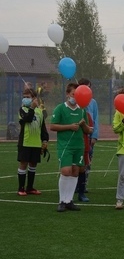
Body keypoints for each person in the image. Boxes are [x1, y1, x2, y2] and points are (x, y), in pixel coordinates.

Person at [50, 83, 93, 212]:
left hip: (78, 146)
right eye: (74, 94)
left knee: (75, 172)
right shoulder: (60, 108)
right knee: (66, 171)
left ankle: (69, 200)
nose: (75, 97)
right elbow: (52, 126)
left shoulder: (82, 110)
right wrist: (69, 126)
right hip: (65, 146)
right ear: (68, 94)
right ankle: (61, 200)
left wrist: (84, 125)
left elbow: (88, 131)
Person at [16, 87, 49, 196]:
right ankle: (21, 188)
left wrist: (44, 140)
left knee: (33, 164)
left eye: (28, 97)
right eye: (24, 97)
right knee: (23, 164)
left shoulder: (39, 112)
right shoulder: (22, 110)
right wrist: (31, 108)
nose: (25, 99)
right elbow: (27, 119)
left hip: (36, 143)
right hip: (25, 143)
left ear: (34, 98)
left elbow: (42, 127)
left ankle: (30, 188)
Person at [78, 78, 99, 193]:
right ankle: (75, 184)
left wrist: (95, 136)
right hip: (78, 136)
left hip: (89, 136)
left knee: (88, 160)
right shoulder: (76, 101)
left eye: (89, 87)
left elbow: (95, 118)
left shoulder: (93, 102)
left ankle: (83, 184)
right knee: (77, 161)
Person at [74, 111, 93, 202]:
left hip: (83, 146)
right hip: (70, 146)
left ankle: (81, 193)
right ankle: (67, 194)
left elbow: (90, 130)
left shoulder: (86, 114)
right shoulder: (64, 111)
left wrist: (83, 125)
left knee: (82, 169)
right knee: (69, 169)